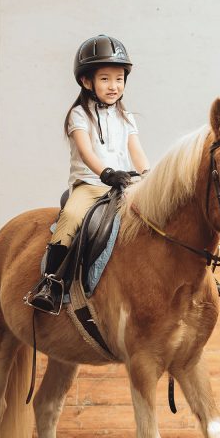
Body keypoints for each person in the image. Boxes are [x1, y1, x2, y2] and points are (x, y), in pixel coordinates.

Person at [31, 34, 150, 313]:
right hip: (91, 185)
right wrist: (106, 173)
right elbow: (87, 152)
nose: (114, 85)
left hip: (124, 186)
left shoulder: (127, 116)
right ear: (87, 81)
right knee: (72, 217)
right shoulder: (78, 116)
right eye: (105, 79)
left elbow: (137, 151)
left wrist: (149, 175)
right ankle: (51, 283)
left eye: (119, 78)